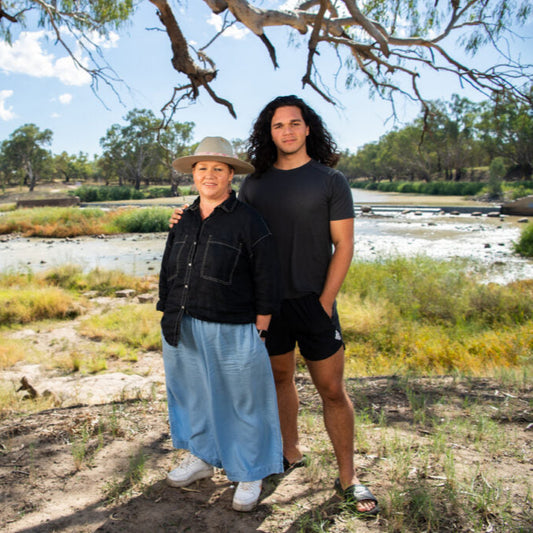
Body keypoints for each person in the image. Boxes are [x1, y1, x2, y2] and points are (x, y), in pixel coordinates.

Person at [171, 97, 379, 516]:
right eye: (278, 125)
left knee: (332, 390)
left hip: (314, 304)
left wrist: (325, 302)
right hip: (265, 305)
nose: (287, 131)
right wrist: (187, 216)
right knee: (279, 379)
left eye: (294, 123)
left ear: (307, 129)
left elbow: (344, 245)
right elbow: (230, 221)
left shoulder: (330, 181)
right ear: (270, 133)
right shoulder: (256, 183)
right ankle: (289, 452)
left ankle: (349, 477)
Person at [157, 136, 283, 513]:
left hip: (234, 326)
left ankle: (250, 471)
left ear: (231, 175)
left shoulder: (248, 220)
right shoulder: (183, 218)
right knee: (193, 396)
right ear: (192, 175)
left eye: (218, 168)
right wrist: (167, 311)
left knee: (245, 402)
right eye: (202, 168)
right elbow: (168, 268)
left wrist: (261, 326)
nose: (209, 175)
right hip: (183, 322)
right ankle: (201, 456)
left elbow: (267, 275)